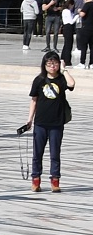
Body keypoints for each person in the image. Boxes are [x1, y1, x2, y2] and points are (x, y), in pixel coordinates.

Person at [26, 52, 74, 193]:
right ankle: (36, 180)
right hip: (40, 122)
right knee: (37, 153)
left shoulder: (62, 79)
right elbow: (34, 100)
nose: (52, 66)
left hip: (57, 123)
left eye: (55, 63)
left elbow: (72, 84)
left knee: (55, 153)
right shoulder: (39, 80)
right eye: (49, 64)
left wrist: (64, 70)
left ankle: (55, 180)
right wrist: (30, 119)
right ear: (44, 65)